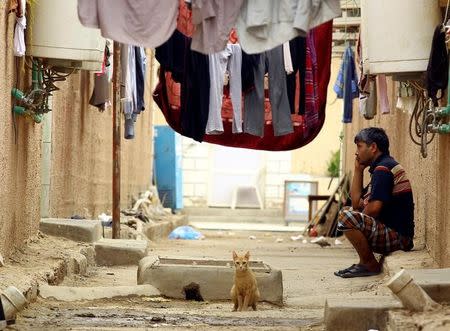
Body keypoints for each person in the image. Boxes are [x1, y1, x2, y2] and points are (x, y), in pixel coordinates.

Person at [335, 127, 414, 278]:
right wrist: (358, 170)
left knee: (347, 217)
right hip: (391, 233)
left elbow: (374, 209)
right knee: (348, 212)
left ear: (373, 147)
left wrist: (355, 220)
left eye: (359, 146)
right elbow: (357, 203)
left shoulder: (383, 169)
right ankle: (364, 262)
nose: (356, 152)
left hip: (400, 238)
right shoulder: (380, 167)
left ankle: (369, 264)